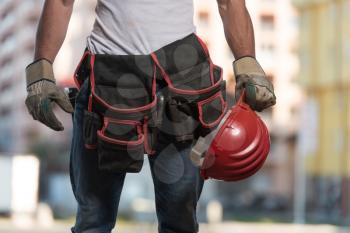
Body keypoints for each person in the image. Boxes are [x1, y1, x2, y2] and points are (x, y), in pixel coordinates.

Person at [25, 0, 276, 232]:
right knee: (93, 221)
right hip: (109, 84)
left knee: (180, 222)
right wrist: (41, 69)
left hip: (180, 83)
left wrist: (247, 63)